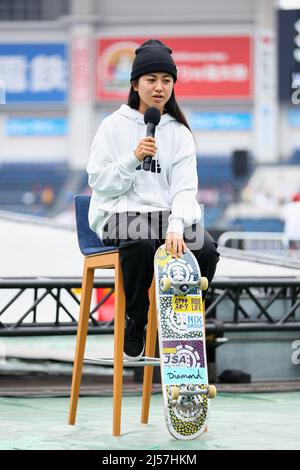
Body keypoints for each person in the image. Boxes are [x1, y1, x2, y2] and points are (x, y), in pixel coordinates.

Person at [87, 39, 220, 361]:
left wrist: (177, 226)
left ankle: (179, 318)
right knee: (141, 243)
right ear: (135, 84)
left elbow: (185, 189)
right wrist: (133, 158)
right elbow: (99, 181)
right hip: (119, 212)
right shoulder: (112, 126)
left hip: (165, 218)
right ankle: (137, 318)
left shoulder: (179, 132)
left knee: (206, 249)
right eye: (151, 79)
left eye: (167, 80)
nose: (159, 87)